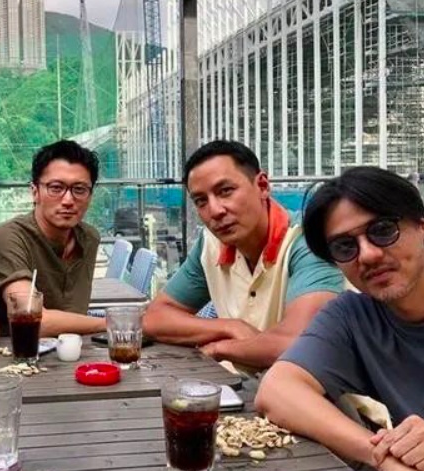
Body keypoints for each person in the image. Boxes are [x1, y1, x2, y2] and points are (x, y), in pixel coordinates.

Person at [257, 167, 424, 471]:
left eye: (383, 230)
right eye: (345, 246)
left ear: (421, 226)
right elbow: (277, 390)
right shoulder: (353, 317)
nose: (368, 255)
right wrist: (382, 457)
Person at [142, 140, 343, 369]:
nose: (215, 210)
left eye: (225, 191)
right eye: (201, 201)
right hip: (240, 386)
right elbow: (155, 317)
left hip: (308, 390)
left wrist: (219, 349)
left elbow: (301, 345)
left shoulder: (309, 243)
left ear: (263, 186)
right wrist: (230, 327)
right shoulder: (211, 245)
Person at [0, 140, 105, 337]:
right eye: (56, 188)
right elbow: (32, 318)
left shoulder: (89, 238)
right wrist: (113, 323)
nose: (68, 200)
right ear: (35, 192)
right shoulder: (7, 238)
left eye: (79, 189)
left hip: (70, 348)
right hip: (11, 351)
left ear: (90, 195)